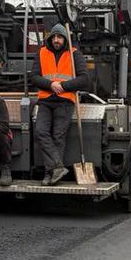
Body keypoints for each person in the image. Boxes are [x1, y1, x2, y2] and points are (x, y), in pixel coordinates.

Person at [30, 24, 89, 186]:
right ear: (50, 38)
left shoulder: (74, 54)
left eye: (60, 37)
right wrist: (50, 85)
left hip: (65, 101)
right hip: (45, 100)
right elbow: (34, 77)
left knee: (58, 137)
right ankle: (57, 167)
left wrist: (62, 86)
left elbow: (84, 79)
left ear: (65, 39)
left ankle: (50, 175)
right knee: (41, 131)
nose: (56, 40)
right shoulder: (41, 52)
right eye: (54, 37)